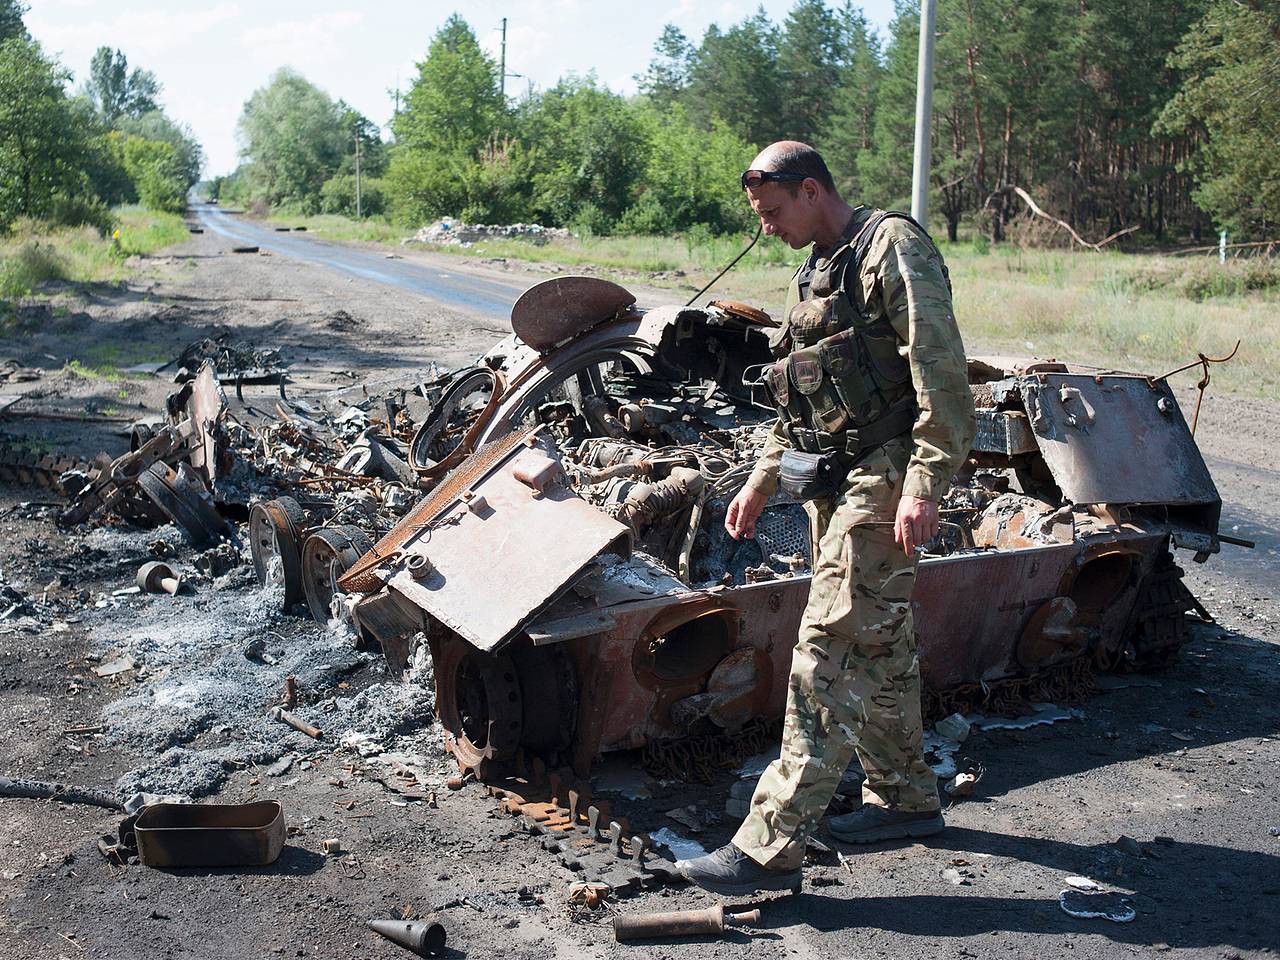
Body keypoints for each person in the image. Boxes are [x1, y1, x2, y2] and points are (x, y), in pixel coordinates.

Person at [679, 141, 975, 896]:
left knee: (829, 648)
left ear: (811, 190)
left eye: (775, 212)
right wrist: (760, 480)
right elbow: (799, 396)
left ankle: (769, 845)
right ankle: (905, 797)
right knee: (880, 645)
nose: (767, 228)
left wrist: (926, 482)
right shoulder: (815, 269)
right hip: (834, 482)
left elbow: (939, 369)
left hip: (888, 475)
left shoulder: (890, 248)